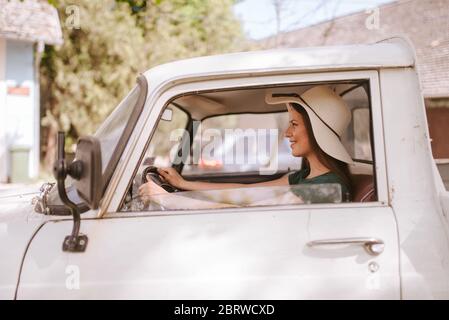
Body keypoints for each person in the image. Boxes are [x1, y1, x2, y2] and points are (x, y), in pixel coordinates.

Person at [138, 85, 354, 207]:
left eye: (294, 124)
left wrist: (167, 199)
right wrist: (184, 183)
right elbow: (246, 192)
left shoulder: (326, 188)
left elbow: (247, 211)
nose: (287, 132)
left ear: (318, 132)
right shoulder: (304, 177)